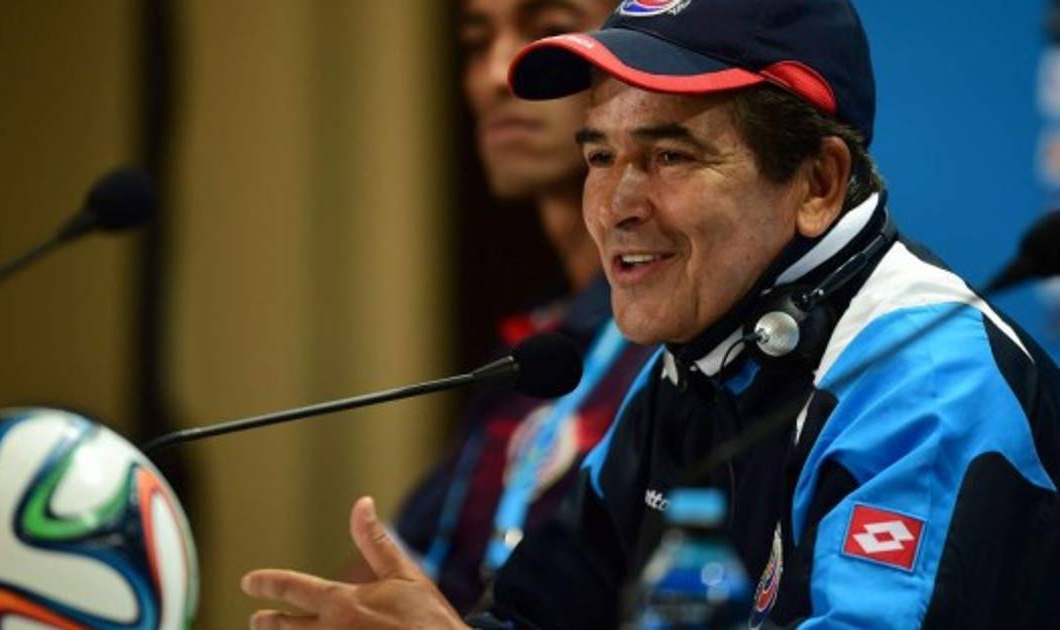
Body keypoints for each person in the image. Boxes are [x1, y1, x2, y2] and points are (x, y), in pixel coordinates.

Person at [241, 1, 1060, 628]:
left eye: (669, 155)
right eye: (601, 156)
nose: (616, 206)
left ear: (817, 183)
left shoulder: (928, 385)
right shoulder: (702, 355)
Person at [348, 0, 652, 615]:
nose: (494, 75)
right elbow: (383, 582)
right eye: (476, 43)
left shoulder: (677, 332)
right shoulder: (537, 344)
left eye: (548, 31)